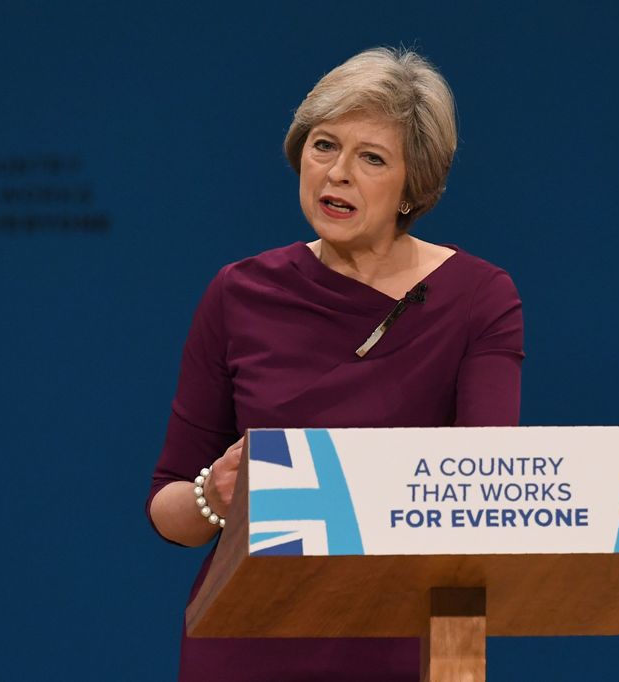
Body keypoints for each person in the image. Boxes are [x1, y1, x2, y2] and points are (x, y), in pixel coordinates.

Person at [146, 46, 524, 681]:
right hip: (246, 642)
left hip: (401, 642)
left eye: (371, 158)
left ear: (413, 184)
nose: (336, 174)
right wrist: (212, 495)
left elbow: (484, 495)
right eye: (324, 146)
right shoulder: (238, 294)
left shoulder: (479, 298)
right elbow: (169, 507)